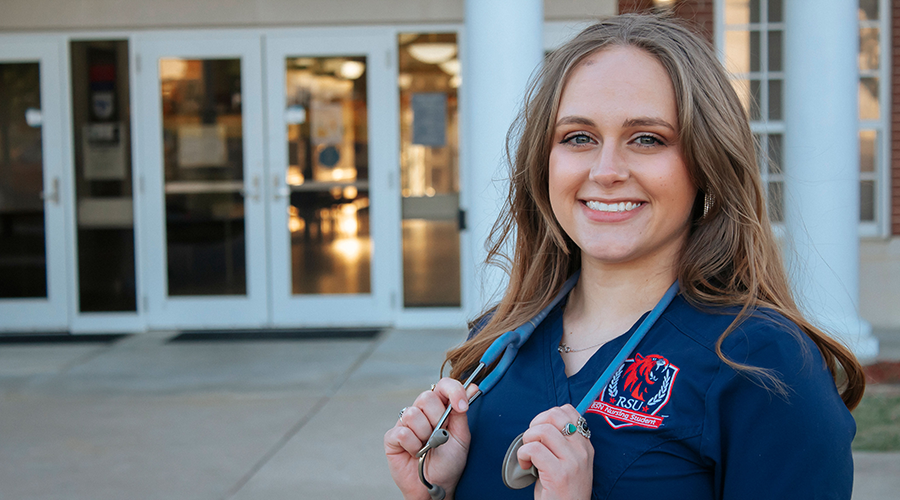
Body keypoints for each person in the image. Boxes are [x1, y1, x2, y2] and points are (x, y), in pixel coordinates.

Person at [384, 13, 865, 500]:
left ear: (706, 162)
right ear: (544, 162)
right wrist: (436, 491)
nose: (606, 169)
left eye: (647, 139)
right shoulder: (497, 344)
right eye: (578, 138)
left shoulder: (763, 364)